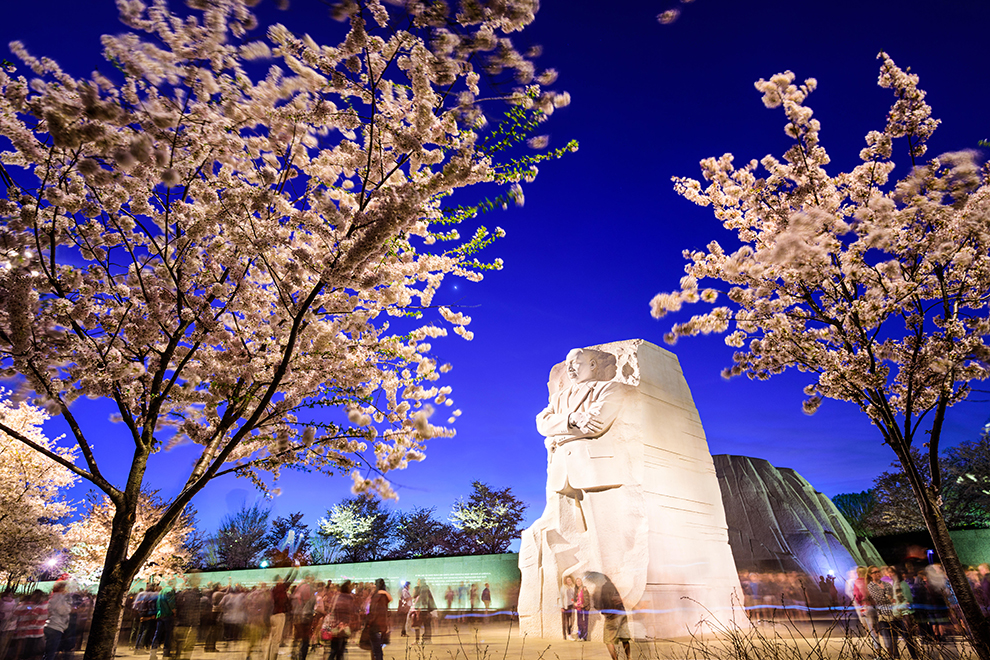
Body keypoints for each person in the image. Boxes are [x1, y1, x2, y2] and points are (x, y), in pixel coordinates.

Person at [519, 348, 649, 631]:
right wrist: (571, 420)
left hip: (596, 471)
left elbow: (597, 423)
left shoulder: (611, 388)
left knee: (608, 542)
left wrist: (560, 432)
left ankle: (618, 608)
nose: (572, 369)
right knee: (573, 540)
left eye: (576, 363)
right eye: (568, 365)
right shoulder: (560, 397)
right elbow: (542, 423)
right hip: (562, 475)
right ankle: (597, 606)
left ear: (593, 363)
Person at [588, 573, 630, 660]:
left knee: (608, 640)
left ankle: (615, 659)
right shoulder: (611, 586)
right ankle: (629, 658)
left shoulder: (601, 589)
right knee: (625, 638)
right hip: (622, 614)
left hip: (612, 617)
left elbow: (599, 605)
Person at [326, 581, 356, 660]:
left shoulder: (336, 596)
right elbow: (352, 611)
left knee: (334, 649)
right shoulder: (350, 598)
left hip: (335, 625)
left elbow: (330, 610)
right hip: (344, 626)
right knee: (341, 649)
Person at [43, 582, 70, 660]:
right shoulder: (59, 597)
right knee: (51, 652)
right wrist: (68, 609)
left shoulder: (53, 597)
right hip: (56, 626)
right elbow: (62, 610)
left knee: (49, 651)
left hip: (52, 625)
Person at [367, 579, 391, 660]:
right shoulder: (384, 596)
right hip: (382, 625)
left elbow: (374, 611)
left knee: (376, 649)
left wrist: (369, 622)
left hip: (375, 625)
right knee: (378, 649)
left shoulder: (377, 597)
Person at [573, 577, 590, 642]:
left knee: (585, 623)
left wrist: (583, 605)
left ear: (581, 582)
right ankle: (580, 636)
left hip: (584, 608)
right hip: (578, 608)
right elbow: (574, 599)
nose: (578, 582)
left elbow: (587, 599)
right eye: (577, 581)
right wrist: (575, 603)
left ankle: (584, 637)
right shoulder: (576, 590)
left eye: (579, 581)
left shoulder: (584, 589)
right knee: (579, 622)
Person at [560, 576, 575, 640]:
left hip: (571, 605)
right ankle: (568, 635)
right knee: (566, 621)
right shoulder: (563, 588)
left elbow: (572, 596)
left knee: (571, 621)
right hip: (566, 606)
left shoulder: (572, 587)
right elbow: (561, 597)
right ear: (566, 581)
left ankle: (569, 633)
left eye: (570, 580)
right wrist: (562, 606)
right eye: (568, 580)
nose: (569, 581)